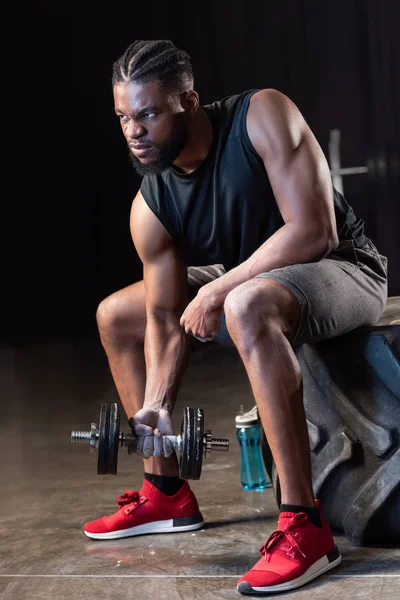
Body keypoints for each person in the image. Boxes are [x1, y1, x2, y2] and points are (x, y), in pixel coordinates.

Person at [83, 39, 388, 595]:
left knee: (245, 302)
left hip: (343, 266)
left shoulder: (263, 115)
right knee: (117, 315)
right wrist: (157, 405)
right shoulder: (151, 203)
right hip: (260, 279)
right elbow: (161, 316)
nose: (134, 131)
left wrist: (221, 287)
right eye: (124, 116)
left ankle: (305, 526)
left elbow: (314, 231)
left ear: (189, 101)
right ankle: (165, 493)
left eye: (148, 113)